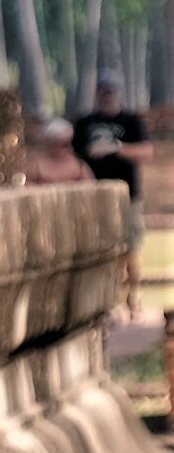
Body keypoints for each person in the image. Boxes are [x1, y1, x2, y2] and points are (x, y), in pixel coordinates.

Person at [72, 76, 152, 309]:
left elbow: (146, 153)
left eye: (110, 91)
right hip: (94, 196)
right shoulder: (85, 123)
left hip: (128, 195)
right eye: (102, 91)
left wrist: (116, 148)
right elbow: (74, 156)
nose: (106, 95)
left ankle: (133, 297)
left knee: (130, 246)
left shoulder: (131, 120)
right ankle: (108, 300)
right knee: (100, 248)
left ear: (117, 93)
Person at [25, 117, 93, 185]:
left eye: (66, 144)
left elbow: (91, 188)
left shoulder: (80, 167)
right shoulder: (36, 167)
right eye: (63, 145)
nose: (61, 150)